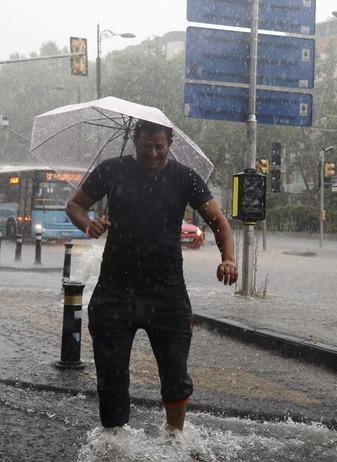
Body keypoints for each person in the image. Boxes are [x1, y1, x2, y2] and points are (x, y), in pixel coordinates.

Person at [65, 119, 237, 435]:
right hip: (115, 290)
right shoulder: (111, 170)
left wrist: (228, 259)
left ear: (169, 145)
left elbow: (218, 222)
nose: (153, 153)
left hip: (167, 291)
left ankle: (175, 438)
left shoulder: (185, 178)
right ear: (135, 140)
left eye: (160, 146)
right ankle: (114, 441)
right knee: (111, 375)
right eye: (147, 145)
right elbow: (74, 205)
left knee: (175, 374)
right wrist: (88, 225)